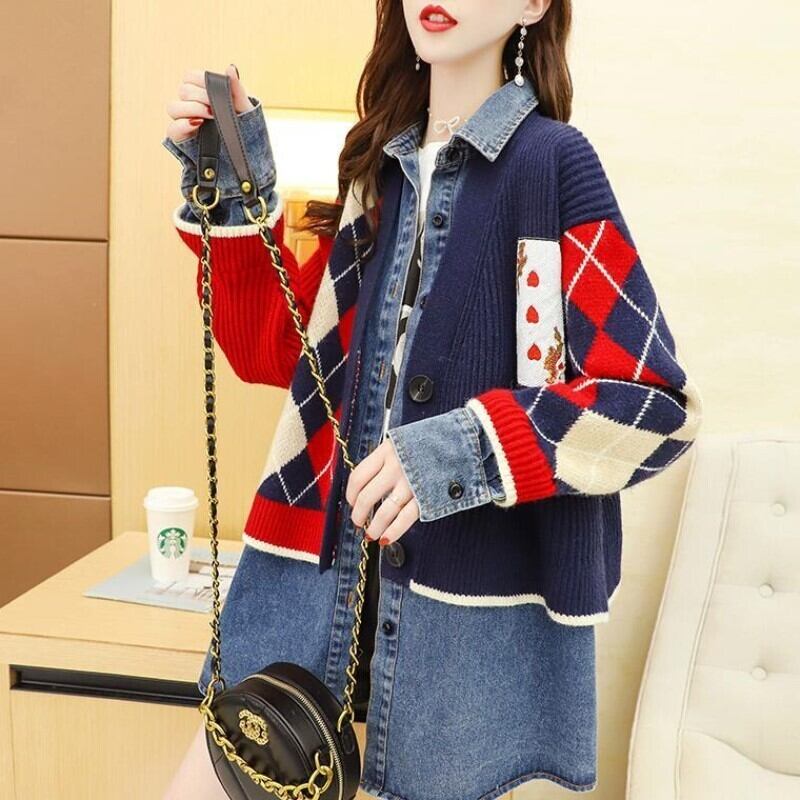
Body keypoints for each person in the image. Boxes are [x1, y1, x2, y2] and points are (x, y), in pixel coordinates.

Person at [160, 1, 703, 798]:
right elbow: (278, 351)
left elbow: (653, 406)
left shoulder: (553, 167)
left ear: (533, 5)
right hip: (309, 609)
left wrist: (463, 450)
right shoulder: (375, 171)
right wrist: (234, 184)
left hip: (459, 652)